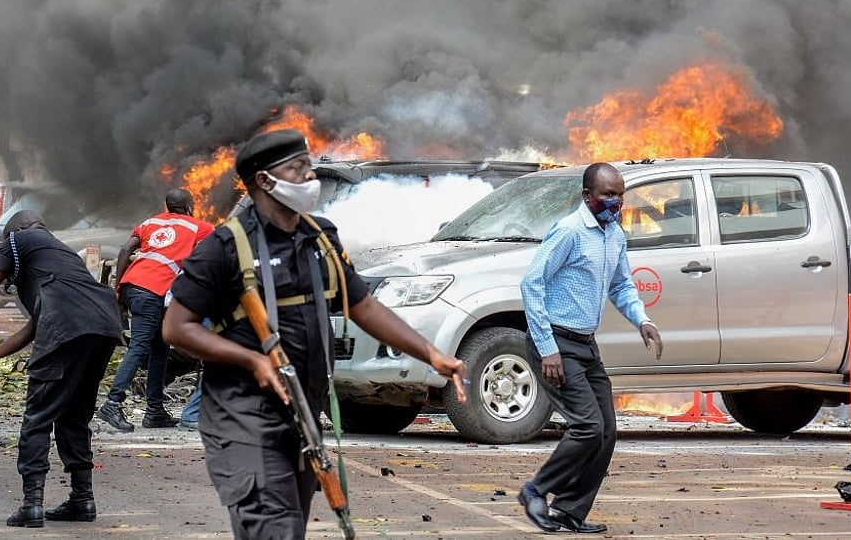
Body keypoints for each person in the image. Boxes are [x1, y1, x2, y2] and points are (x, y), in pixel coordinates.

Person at [162, 129, 469, 539]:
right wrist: (252, 359)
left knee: (287, 526)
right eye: (298, 168)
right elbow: (176, 327)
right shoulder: (224, 247)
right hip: (242, 415)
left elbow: (364, 306)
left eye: (308, 166)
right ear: (264, 181)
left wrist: (432, 354)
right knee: (275, 528)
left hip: (304, 411)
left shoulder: (321, 237)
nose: (310, 177)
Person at [0, 209, 123, 528]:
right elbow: (33, 327)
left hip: (69, 325)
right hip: (104, 325)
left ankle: (32, 504)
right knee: (73, 414)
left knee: (38, 415)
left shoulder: (17, 239)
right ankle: (82, 500)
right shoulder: (60, 254)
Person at [517, 162, 664, 534]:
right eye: (608, 195)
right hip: (558, 344)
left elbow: (622, 286)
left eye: (620, 195)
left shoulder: (614, 235)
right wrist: (547, 348)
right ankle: (536, 491)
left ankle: (570, 510)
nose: (615, 203)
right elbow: (532, 284)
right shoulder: (569, 231)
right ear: (588, 196)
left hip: (586, 345)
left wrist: (642, 320)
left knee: (606, 431)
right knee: (587, 427)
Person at [97, 189, 213, 432]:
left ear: (167, 206)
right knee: (140, 347)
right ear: (190, 207)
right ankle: (112, 404)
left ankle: (154, 411)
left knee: (160, 349)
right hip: (153, 291)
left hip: (134, 285)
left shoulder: (150, 222)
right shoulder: (199, 227)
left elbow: (124, 251)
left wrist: (119, 288)